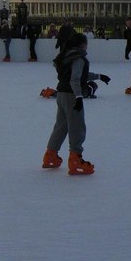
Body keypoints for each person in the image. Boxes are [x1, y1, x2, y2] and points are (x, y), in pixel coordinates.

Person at [42, 33, 100, 175]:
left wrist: (99, 76)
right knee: (77, 127)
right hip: (72, 95)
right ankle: (75, 160)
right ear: (82, 44)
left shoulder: (67, 56)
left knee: (61, 126)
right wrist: (79, 97)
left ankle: (50, 156)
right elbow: (75, 79)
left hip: (61, 94)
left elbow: (77, 75)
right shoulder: (78, 58)